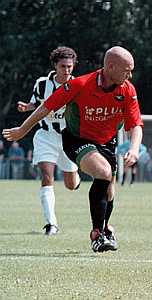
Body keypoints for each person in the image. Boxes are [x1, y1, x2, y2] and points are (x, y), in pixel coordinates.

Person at [3, 46, 143, 253]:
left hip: (107, 142)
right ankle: (97, 234)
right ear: (111, 67)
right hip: (77, 139)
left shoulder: (127, 89)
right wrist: (23, 130)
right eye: (127, 70)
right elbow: (46, 107)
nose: (130, 75)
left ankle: (105, 227)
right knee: (103, 172)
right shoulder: (80, 84)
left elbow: (135, 124)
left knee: (109, 191)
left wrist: (134, 148)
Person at [17, 46, 80, 235]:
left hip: (69, 138)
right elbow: (37, 104)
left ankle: (75, 176)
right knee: (46, 176)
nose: (67, 70)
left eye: (70, 66)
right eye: (63, 66)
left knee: (70, 185)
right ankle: (51, 223)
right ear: (55, 65)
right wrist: (27, 107)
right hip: (45, 136)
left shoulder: (79, 85)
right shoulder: (42, 84)